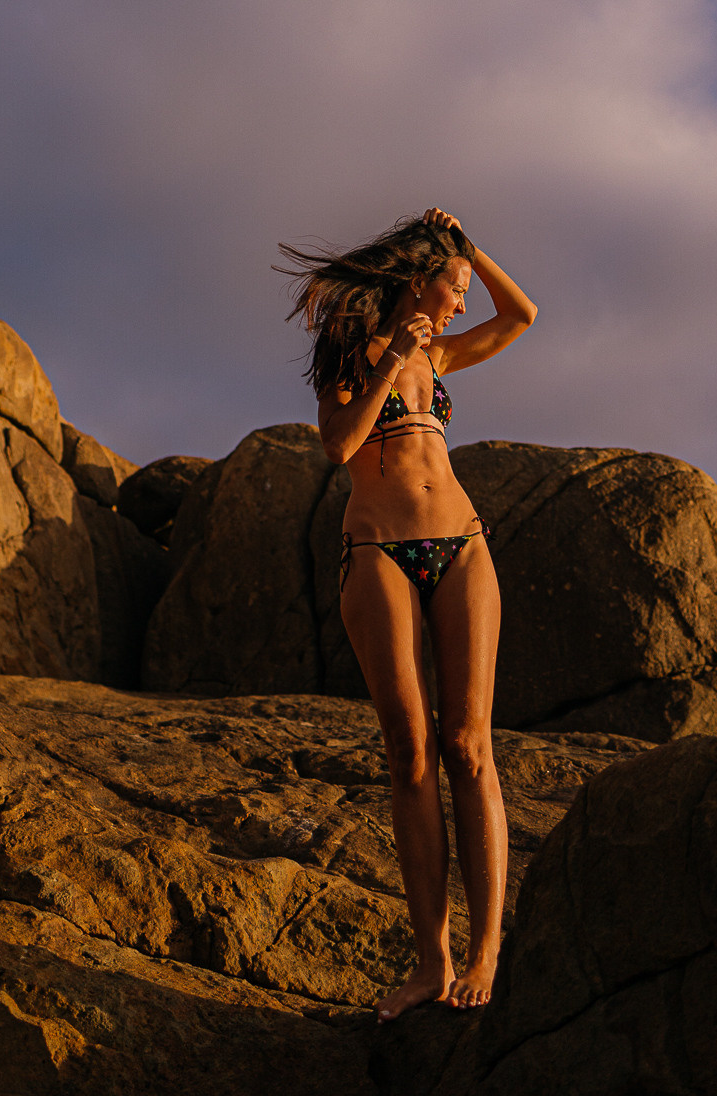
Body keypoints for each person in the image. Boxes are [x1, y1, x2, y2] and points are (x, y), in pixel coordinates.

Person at [278, 207, 536, 1020]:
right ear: (413, 282)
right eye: (452, 288)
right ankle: (432, 960)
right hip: (376, 552)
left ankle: (488, 949)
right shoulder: (353, 357)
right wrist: (390, 355)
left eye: (462, 291)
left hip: (460, 544)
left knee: (468, 743)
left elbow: (520, 316)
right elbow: (338, 446)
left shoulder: (444, 353)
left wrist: (468, 247)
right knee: (409, 753)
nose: (460, 304)